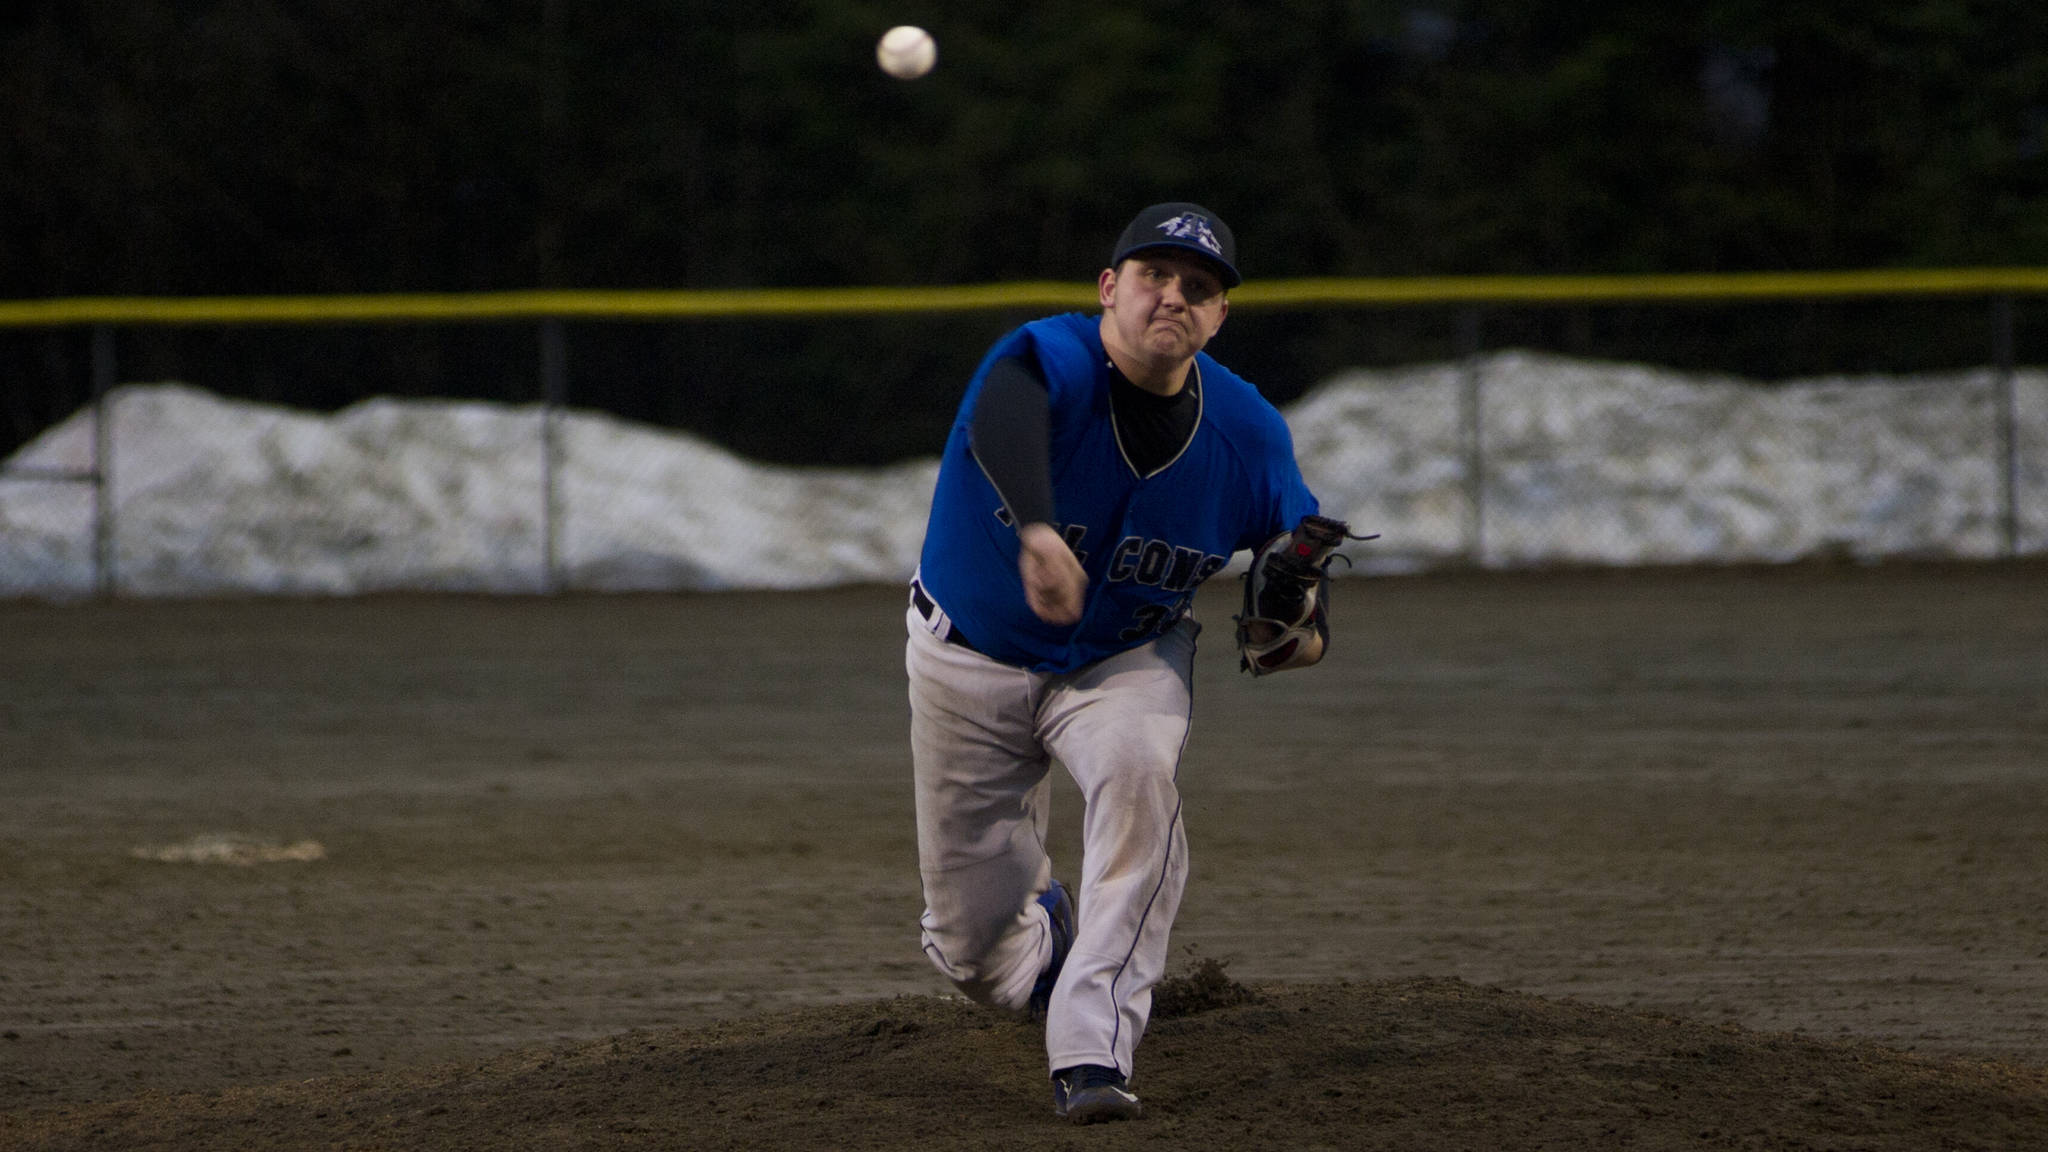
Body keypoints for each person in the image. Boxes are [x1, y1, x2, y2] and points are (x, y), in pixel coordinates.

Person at [904, 202, 1352, 1124]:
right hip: (969, 663)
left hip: (1123, 659)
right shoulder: (1049, 358)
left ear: (1219, 316)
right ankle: (1048, 943)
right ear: (1110, 289)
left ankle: (1091, 1055)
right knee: (973, 955)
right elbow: (1005, 412)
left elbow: (1291, 570)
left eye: (1200, 288)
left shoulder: (1247, 432)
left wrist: (1294, 621)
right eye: (1154, 276)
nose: (1174, 297)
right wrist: (1035, 526)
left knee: (1140, 771)